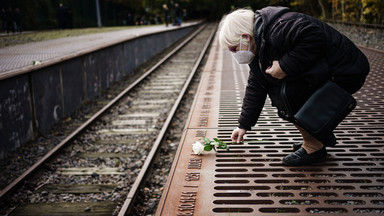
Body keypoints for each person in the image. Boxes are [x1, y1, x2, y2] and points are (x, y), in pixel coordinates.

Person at [219, 7, 369, 166]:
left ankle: (314, 146)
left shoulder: (279, 29)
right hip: (329, 69)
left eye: (234, 48)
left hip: (345, 70)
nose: (234, 54)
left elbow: (313, 35)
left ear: (245, 37)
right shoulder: (259, 46)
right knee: (276, 85)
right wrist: (243, 125)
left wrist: (284, 66)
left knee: (285, 94)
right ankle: (320, 134)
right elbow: (256, 87)